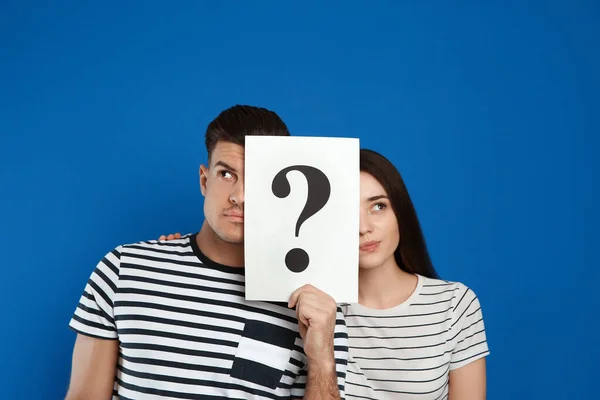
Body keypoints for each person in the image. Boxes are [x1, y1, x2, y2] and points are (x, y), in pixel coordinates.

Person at [66, 105, 349, 400]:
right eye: (227, 174)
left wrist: (322, 363)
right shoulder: (124, 270)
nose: (240, 196)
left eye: (258, 179)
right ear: (204, 180)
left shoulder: (317, 303)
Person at [161, 148, 490, 399]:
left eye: (378, 206)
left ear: (400, 211)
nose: (363, 228)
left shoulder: (453, 305)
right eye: (346, 212)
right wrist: (179, 260)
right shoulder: (302, 302)